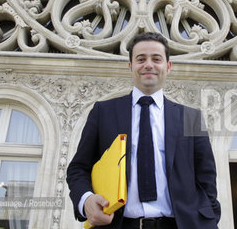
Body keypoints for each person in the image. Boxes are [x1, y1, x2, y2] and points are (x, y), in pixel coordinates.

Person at [66, 32, 221, 229]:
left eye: (157, 59)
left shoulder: (192, 117)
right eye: (141, 59)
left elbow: (207, 176)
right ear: (130, 66)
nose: (149, 64)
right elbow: (78, 168)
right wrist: (86, 200)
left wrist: (208, 219)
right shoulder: (102, 112)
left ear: (168, 66)